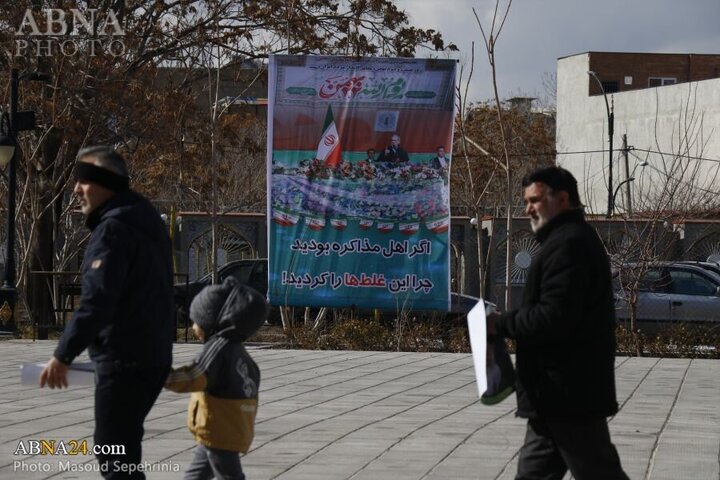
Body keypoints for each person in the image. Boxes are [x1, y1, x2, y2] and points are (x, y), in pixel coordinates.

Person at [40, 145, 175, 479]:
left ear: (106, 183)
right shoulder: (144, 220)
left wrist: (63, 355)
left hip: (124, 360)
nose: (76, 189)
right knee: (123, 453)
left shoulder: (113, 231)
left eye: (84, 180)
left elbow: (98, 301)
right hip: (152, 356)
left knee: (114, 454)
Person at [486, 166, 629, 480]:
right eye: (527, 201)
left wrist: (501, 323)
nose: (528, 209)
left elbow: (555, 317)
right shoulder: (566, 240)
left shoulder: (569, 245)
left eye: (535, 200)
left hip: (568, 393)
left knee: (599, 473)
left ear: (562, 199)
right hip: (553, 394)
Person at [165, 278, 267, 480]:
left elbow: (194, 377)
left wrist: (161, 375)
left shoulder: (217, 348)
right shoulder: (239, 352)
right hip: (233, 426)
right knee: (197, 473)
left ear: (212, 322)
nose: (193, 327)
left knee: (229, 475)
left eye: (196, 321)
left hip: (219, 429)